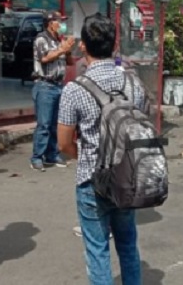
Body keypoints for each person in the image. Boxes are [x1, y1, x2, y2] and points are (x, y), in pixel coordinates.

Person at [57, 14, 145, 285]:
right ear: (114, 44)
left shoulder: (74, 89)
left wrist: (84, 156)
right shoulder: (133, 83)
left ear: (83, 45)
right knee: (128, 245)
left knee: (97, 250)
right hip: (127, 175)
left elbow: (63, 143)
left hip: (91, 179)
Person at [30, 11, 75, 171]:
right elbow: (45, 58)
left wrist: (67, 50)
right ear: (50, 23)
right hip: (45, 85)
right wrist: (62, 49)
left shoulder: (59, 40)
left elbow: (70, 62)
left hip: (58, 85)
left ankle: (52, 154)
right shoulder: (42, 39)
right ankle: (37, 157)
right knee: (44, 124)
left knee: (55, 123)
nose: (62, 25)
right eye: (59, 22)